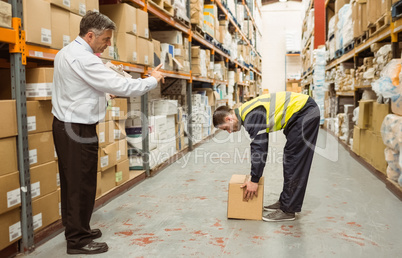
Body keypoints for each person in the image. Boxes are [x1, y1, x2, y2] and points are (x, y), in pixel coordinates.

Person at [52, 11, 164, 255]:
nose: (109, 44)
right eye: (106, 39)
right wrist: (152, 80)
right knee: (81, 183)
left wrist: (102, 93)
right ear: (90, 35)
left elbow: (76, 88)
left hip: (66, 125)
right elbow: (124, 86)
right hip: (77, 129)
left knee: (74, 181)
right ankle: (77, 240)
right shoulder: (86, 60)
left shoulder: (66, 53)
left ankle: (76, 227)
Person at [213, 92, 320, 222]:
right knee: (290, 159)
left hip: (305, 112)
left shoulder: (251, 116)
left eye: (226, 129)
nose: (229, 132)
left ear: (229, 119)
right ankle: (285, 202)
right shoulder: (247, 113)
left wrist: (254, 179)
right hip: (300, 113)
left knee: (294, 161)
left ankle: (288, 210)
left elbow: (260, 147)